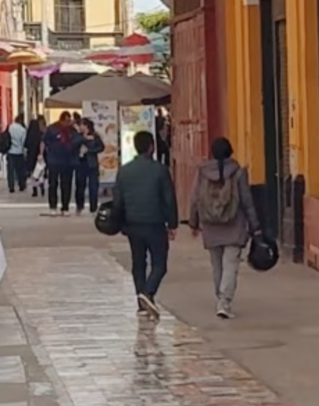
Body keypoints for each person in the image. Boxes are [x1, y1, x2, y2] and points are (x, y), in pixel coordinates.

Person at [189, 136, 260, 320]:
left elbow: (195, 198)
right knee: (231, 265)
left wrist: (193, 223)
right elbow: (247, 201)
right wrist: (255, 227)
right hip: (234, 224)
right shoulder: (238, 172)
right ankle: (224, 301)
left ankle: (220, 297)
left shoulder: (203, 171)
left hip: (210, 225)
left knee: (217, 265)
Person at [111, 128, 178, 319]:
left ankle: (142, 303)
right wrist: (172, 224)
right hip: (155, 224)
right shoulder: (160, 170)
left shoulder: (124, 171)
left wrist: (120, 223)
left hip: (133, 224)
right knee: (159, 264)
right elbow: (169, 199)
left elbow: (118, 201)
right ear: (151, 147)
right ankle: (147, 293)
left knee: (138, 263)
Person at [43, 112, 79, 214]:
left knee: (66, 185)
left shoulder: (72, 130)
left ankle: (65, 207)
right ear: (62, 120)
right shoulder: (52, 129)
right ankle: (53, 206)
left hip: (68, 161)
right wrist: (41, 155)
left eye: (69, 121)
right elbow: (44, 141)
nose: (68, 123)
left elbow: (78, 141)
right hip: (54, 160)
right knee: (53, 184)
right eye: (66, 121)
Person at [74, 117, 105, 213]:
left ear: (87, 126)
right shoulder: (77, 136)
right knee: (80, 186)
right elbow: (73, 144)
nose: (80, 127)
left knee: (93, 186)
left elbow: (101, 147)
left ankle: (93, 207)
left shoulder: (95, 136)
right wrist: (84, 138)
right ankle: (79, 206)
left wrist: (90, 151)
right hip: (80, 163)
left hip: (92, 164)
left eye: (82, 125)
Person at [3, 114, 29, 194]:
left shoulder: (10, 127)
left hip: (10, 151)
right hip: (19, 152)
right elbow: (24, 142)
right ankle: (21, 185)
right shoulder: (23, 130)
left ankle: (11, 186)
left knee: (10, 170)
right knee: (20, 170)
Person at [26, 115, 47, 195]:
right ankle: (41, 186)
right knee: (40, 172)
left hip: (31, 156)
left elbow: (26, 144)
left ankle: (34, 190)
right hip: (40, 155)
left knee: (33, 174)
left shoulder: (30, 134)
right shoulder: (41, 134)